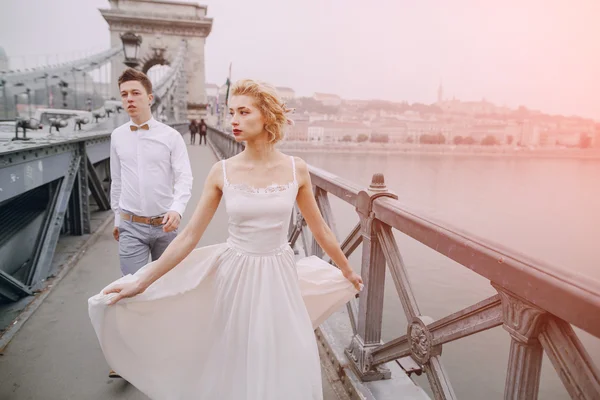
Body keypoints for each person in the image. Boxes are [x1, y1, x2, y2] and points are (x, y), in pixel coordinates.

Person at [88, 79, 363, 399]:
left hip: (279, 275)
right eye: (231, 112)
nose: (233, 119)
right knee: (237, 354)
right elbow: (189, 235)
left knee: (283, 351)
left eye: (243, 112)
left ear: (267, 117)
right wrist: (141, 280)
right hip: (236, 275)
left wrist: (346, 270)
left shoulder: (296, 169)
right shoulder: (222, 171)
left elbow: (321, 230)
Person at [106, 68, 193, 378]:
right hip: (130, 224)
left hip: (165, 227)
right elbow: (116, 181)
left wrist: (178, 209)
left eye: (135, 93)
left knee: (169, 287)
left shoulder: (170, 137)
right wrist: (117, 218)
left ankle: (168, 346)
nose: (129, 99)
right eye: (124, 95)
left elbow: (184, 177)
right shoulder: (117, 136)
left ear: (150, 98)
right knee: (130, 290)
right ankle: (125, 356)